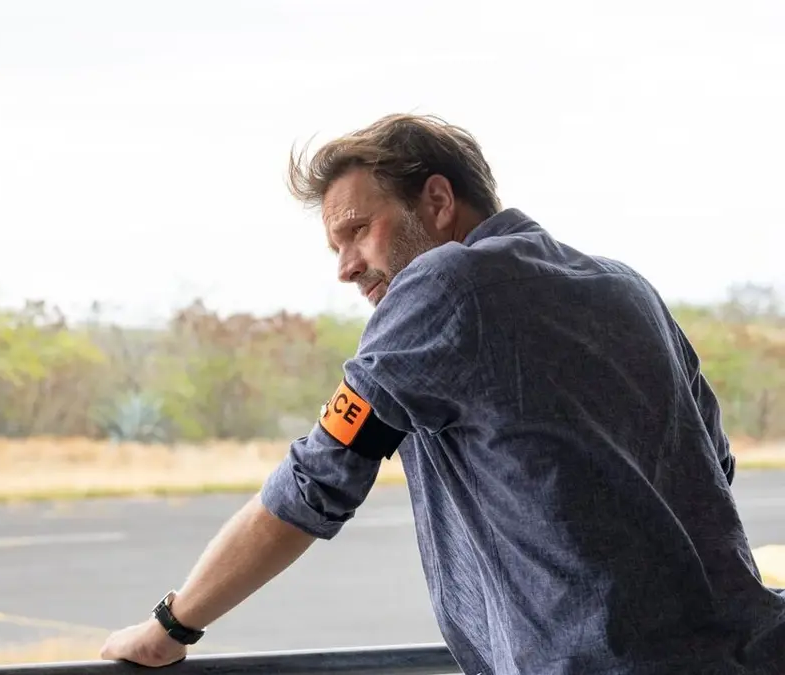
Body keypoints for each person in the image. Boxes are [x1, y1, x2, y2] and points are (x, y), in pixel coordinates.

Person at [97, 113, 785, 674]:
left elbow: (317, 479)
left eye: (357, 230)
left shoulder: (445, 284)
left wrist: (170, 627)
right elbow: (712, 463)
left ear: (437, 200)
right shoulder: (625, 285)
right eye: (335, 247)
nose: (345, 268)